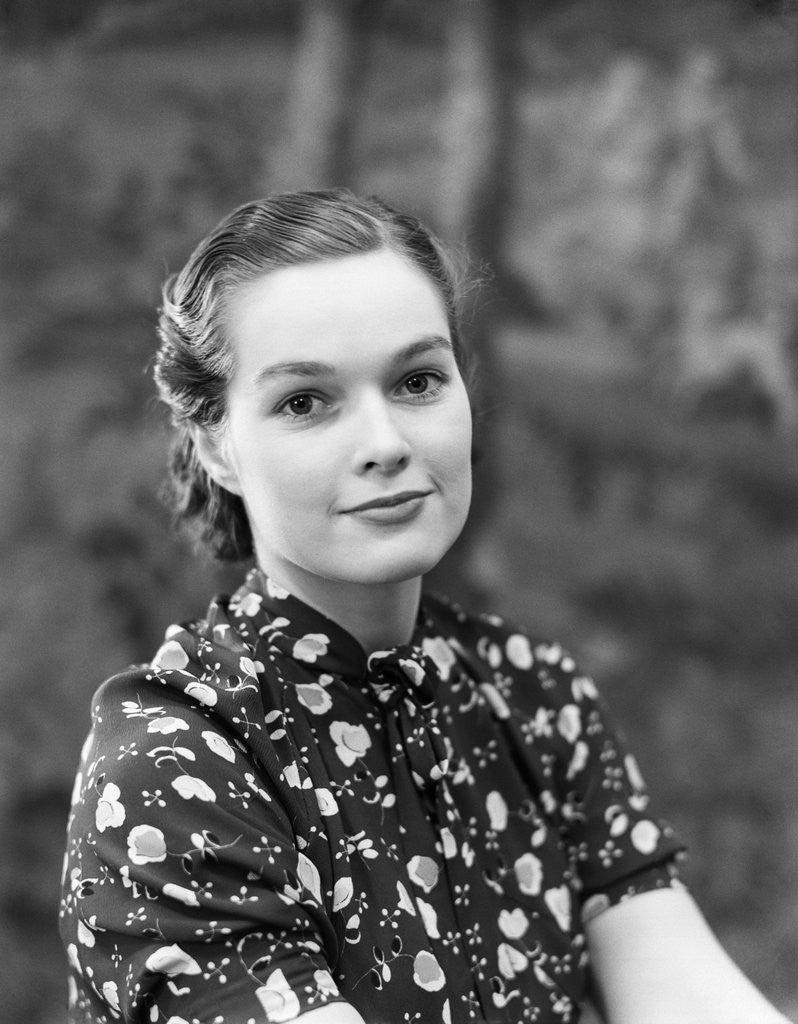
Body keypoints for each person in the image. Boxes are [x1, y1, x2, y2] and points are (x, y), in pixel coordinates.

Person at [59, 190, 789, 1024]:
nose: (386, 444)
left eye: (416, 381)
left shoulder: (533, 697)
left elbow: (687, 996)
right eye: (305, 401)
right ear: (218, 443)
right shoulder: (174, 763)